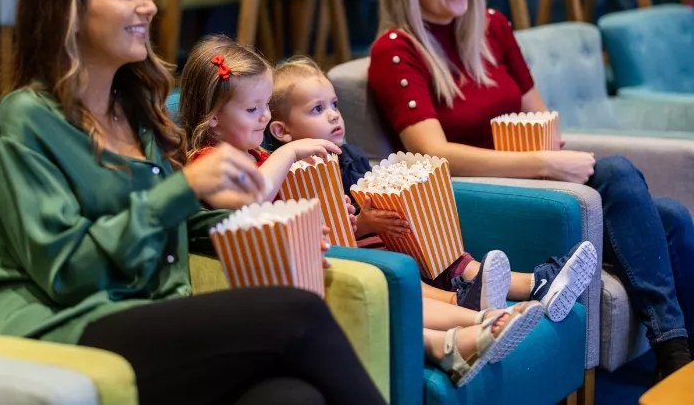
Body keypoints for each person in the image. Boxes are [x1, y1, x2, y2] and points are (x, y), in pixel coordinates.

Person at [0, 0, 392, 405]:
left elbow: (188, 223)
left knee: (289, 396)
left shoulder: (133, 111)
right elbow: (66, 270)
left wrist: (275, 233)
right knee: (298, 313)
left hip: (149, 314)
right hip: (63, 331)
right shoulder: (24, 118)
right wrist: (183, 189)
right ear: (66, 10)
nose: (150, 6)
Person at [368, 0, 694, 382]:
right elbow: (432, 153)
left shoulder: (493, 27)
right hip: (495, 197)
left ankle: (678, 353)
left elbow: (537, 117)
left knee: (671, 217)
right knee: (620, 173)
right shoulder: (396, 51)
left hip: (537, 178)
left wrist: (549, 154)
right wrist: (544, 164)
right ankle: (674, 352)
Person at [179, 36, 548, 387]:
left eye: (264, 107)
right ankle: (451, 342)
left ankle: (481, 321)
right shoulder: (210, 160)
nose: (263, 118)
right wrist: (287, 153)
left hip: (309, 257)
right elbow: (252, 200)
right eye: (252, 109)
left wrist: (329, 217)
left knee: (398, 284)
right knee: (385, 287)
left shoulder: (256, 155)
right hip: (270, 277)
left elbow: (282, 205)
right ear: (212, 117)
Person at [267, 55, 597, 321]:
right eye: (317, 109)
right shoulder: (292, 175)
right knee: (404, 270)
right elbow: (330, 233)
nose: (333, 116)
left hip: (388, 239)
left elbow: (368, 198)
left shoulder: (349, 156)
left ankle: (533, 284)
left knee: (444, 250)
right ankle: (464, 302)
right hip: (356, 257)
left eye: (334, 105)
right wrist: (367, 223)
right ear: (282, 131)